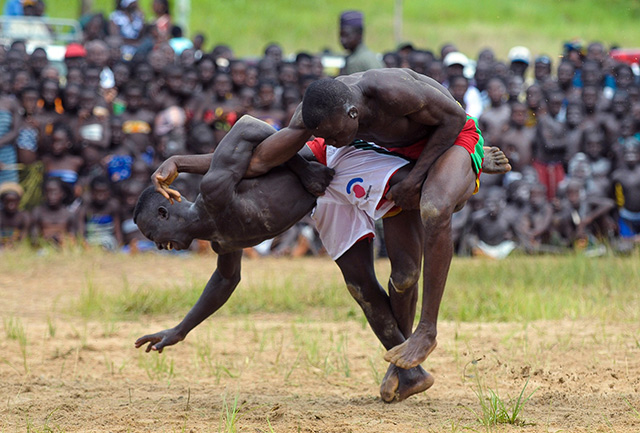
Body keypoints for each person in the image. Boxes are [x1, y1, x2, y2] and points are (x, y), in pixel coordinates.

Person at [135, 115, 508, 402]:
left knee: (416, 194)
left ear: (168, 208)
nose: (158, 245)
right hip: (323, 201)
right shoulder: (220, 240)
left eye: (154, 234)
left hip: (326, 164)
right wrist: (181, 329)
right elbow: (226, 280)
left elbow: (251, 128)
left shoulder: (214, 190)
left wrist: (302, 166)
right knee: (362, 286)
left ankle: (467, 157)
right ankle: (411, 373)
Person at [238, 69, 511, 371]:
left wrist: (415, 180)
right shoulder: (316, 112)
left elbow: (455, 120)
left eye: (335, 134)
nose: (332, 142)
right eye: (324, 137)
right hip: (392, 153)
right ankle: (405, 370)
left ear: (353, 112)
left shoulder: (391, 92)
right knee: (404, 276)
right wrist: (304, 170)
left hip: (450, 136)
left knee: (435, 208)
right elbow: (264, 158)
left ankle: (427, 330)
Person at [338, 10, 383, 75]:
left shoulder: (366, 59)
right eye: (341, 35)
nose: (342, 40)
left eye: (347, 35)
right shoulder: (350, 58)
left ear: (359, 35)